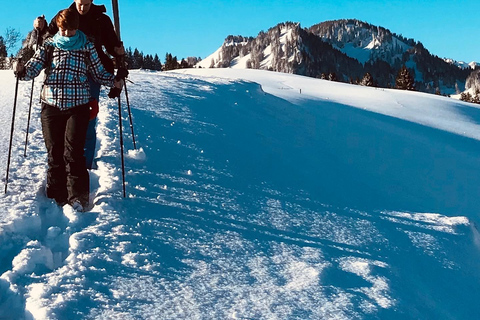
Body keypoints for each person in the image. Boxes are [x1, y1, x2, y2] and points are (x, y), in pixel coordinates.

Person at [15, 8, 123, 211]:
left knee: (73, 152)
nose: (66, 34)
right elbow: (33, 69)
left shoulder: (87, 46)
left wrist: (114, 80)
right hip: (51, 105)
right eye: (63, 30)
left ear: (76, 28)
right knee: (54, 152)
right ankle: (56, 197)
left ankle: (78, 198)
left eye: (71, 30)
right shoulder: (49, 45)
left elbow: (99, 73)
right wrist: (21, 71)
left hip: (78, 105)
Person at [34, 0, 125, 170]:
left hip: (92, 75)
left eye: (87, 4)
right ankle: (63, 165)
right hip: (64, 76)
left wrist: (117, 50)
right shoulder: (64, 16)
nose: (83, 8)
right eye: (80, 4)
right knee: (63, 125)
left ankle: (84, 165)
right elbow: (47, 39)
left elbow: (110, 43)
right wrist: (39, 28)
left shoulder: (101, 20)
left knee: (88, 121)